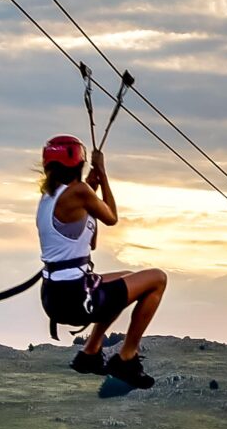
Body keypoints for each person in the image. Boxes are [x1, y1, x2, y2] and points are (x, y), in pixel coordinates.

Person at [35, 133, 167, 390]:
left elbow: (89, 242)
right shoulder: (79, 191)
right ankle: (127, 357)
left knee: (126, 278)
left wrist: (90, 192)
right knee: (158, 279)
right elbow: (112, 218)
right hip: (75, 297)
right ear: (79, 164)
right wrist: (103, 175)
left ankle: (90, 352)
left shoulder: (49, 198)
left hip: (55, 295)